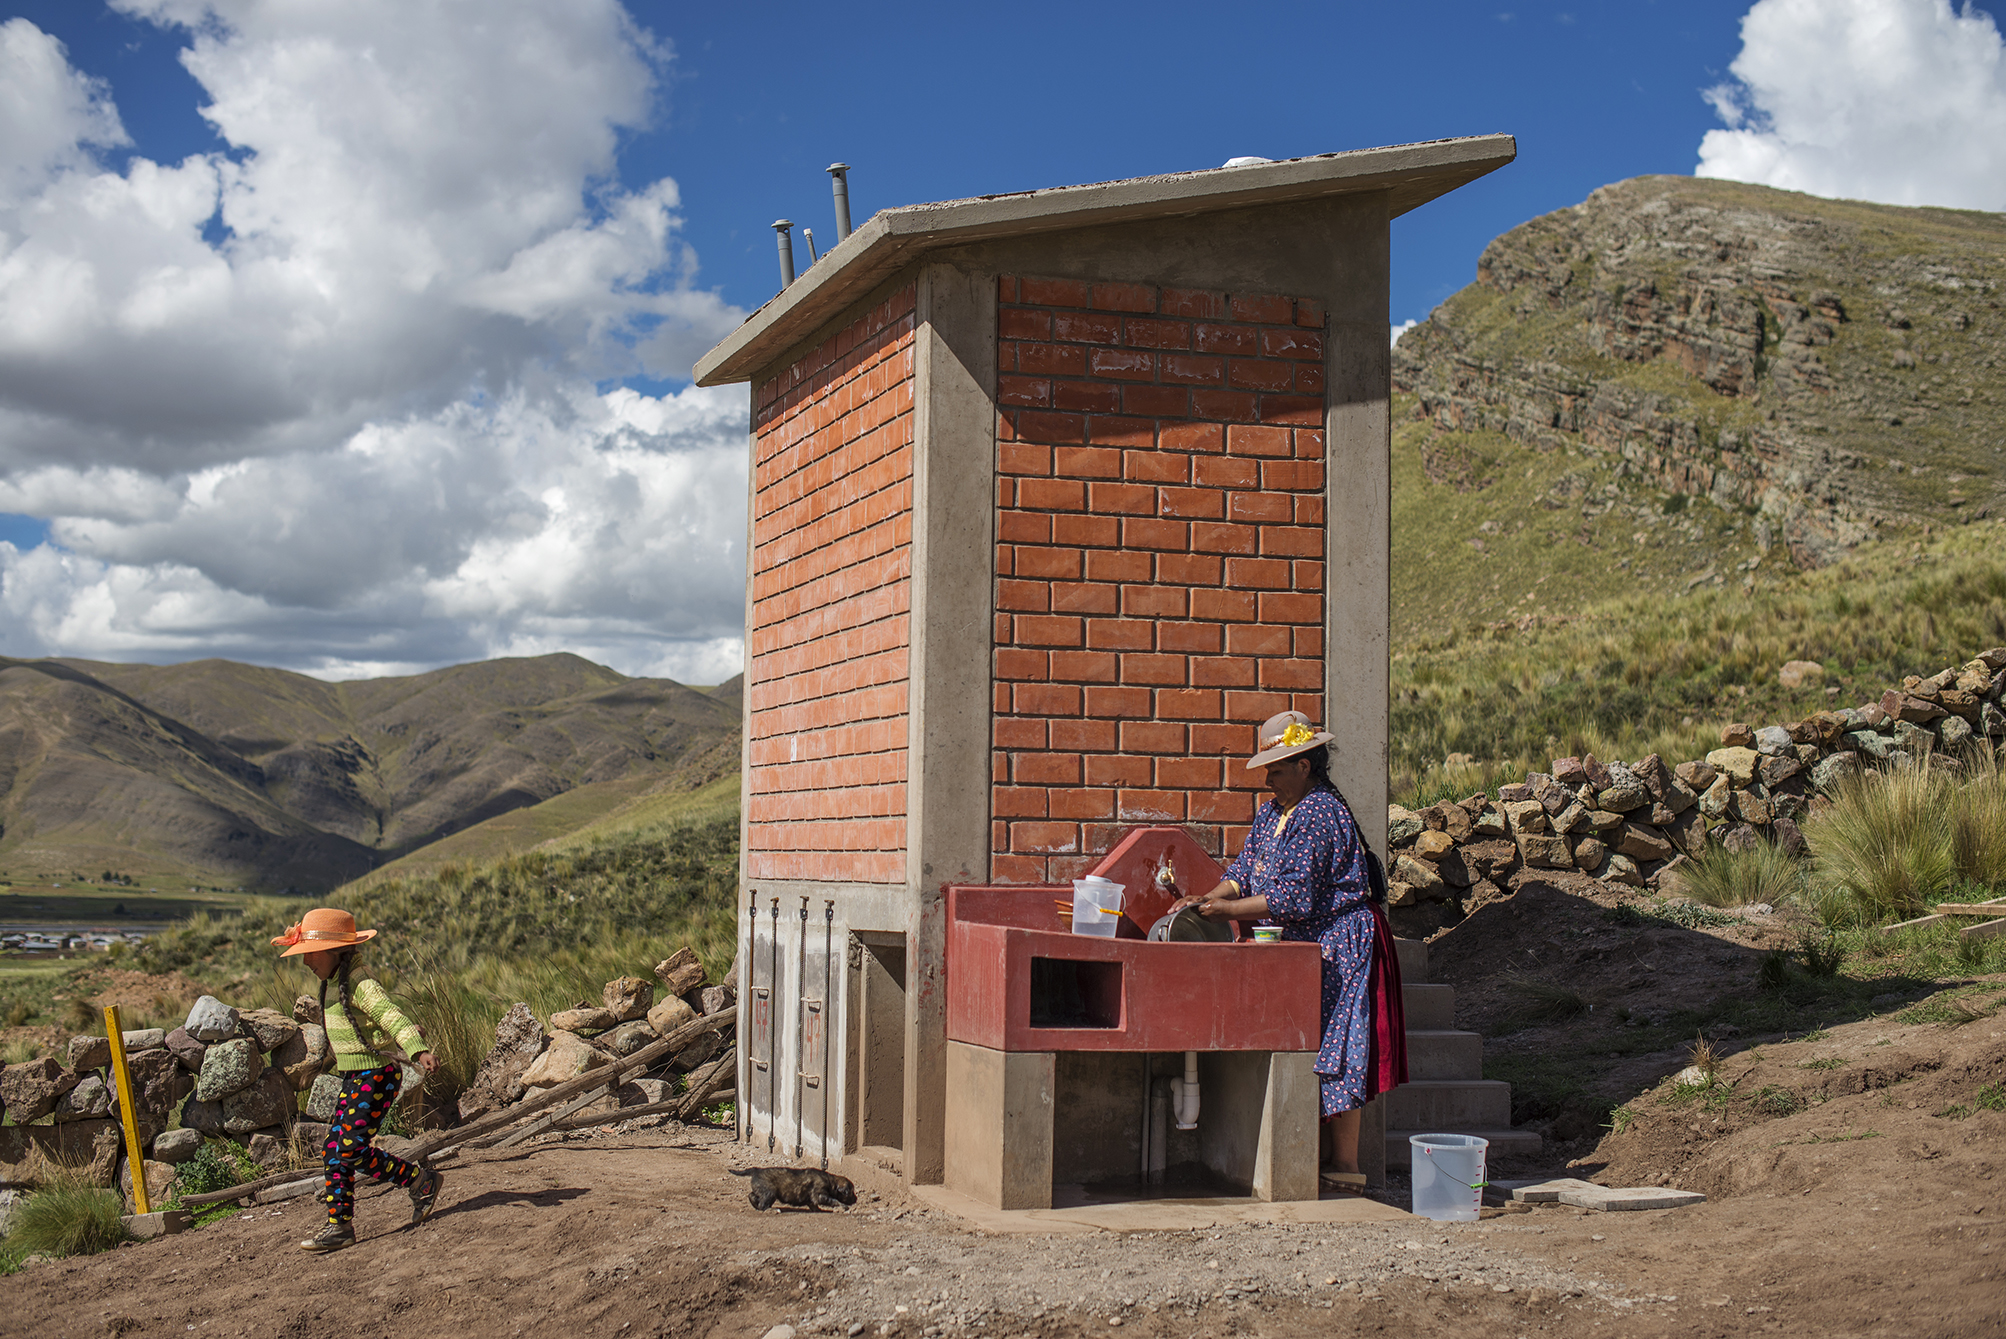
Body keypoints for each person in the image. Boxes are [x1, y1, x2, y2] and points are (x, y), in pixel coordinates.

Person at [1167, 710, 1407, 1192]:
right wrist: (1213, 896)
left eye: (1277, 768)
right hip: (1305, 942)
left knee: (1340, 1047)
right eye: (1268, 769)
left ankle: (1345, 1164)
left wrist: (1227, 914)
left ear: (1304, 764)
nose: (1270, 777)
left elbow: (1295, 896)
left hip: (1343, 941)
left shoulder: (1320, 812)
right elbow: (1245, 869)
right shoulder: (1272, 813)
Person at [272, 907, 446, 1252]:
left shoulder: (361, 983)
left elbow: (390, 1015)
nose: (306, 963)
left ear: (334, 950)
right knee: (334, 1150)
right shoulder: (337, 981)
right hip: (355, 1077)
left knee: (351, 1148)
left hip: (376, 1075)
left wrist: (417, 1049)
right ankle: (339, 1226)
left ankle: (420, 1181)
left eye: (309, 954)